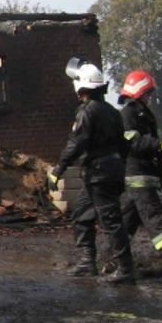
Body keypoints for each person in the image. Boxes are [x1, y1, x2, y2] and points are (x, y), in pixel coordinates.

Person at [48, 62, 133, 283]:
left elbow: (77, 143)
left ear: (81, 87)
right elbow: (123, 144)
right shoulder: (113, 112)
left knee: (110, 220)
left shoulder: (88, 112)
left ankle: (125, 269)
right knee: (82, 215)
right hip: (107, 170)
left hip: (99, 173)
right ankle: (87, 262)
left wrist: (58, 169)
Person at [117, 70, 162, 248]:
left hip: (144, 176)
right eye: (147, 93)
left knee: (126, 224)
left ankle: (111, 260)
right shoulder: (128, 114)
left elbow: (155, 146)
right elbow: (135, 144)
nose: (149, 97)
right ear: (138, 91)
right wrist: (160, 143)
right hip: (138, 177)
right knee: (158, 222)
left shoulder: (143, 114)